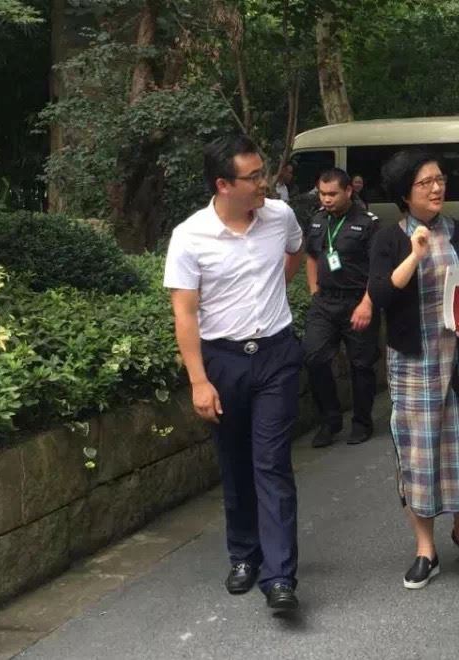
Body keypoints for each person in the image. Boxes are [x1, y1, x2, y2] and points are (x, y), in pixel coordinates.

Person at [164, 134, 305, 616]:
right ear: (223, 185)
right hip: (223, 361)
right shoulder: (190, 236)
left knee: (271, 462)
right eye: (253, 177)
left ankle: (280, 576)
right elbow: (185, 314)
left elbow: (295, 251)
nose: (264, 183)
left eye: (263, 172)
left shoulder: (280, 217)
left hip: (276, 356)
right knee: (235, 462)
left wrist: (275, 290)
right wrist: (199, 381)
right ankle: (245, 555)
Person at [368, 150, 459, 589]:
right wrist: (415, 254)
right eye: (425, 183)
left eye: (439, 179)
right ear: (404, 193)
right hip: (412, 363)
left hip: (458, 361)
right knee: (417, 455)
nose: (436, 188)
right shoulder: (388, 239)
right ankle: (425, 548)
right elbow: (381, 296)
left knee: (458, 449)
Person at [303, 168, 382, 448]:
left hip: (357, 301)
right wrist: (313, 290)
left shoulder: (368, 223)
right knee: (313, 357)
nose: (326, 199)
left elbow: (378, 269)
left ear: (349, 191)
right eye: (322, 194)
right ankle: (330, 419)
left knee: (361, 364)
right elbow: (312, 257)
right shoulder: (317, 220)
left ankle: (361, 422)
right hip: (325, 302)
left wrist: (367, 304)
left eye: (332, 194)